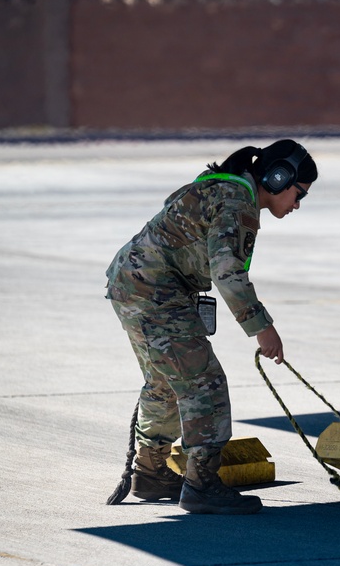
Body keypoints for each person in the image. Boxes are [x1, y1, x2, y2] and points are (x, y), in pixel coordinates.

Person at [105, 139, 317, 515]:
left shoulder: (222, 187)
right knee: (204, 383)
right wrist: (261, 327)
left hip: (133, 283)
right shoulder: (236, 202)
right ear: (278, 177)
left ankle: (151, 473)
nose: (298, 204)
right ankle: (202, 485)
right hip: (156, 290)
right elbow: (226, 270)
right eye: (299, 194)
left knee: (164, 382)